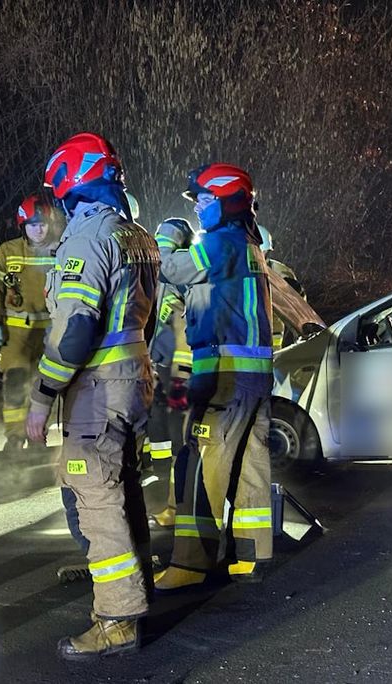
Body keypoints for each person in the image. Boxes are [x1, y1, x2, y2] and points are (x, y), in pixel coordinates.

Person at [27, 132, 159, 659]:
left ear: (68, 182)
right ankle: (133, 585)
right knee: (124, 488)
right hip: (132, 381)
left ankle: (116, 620)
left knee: (97, 500)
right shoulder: (136, 236)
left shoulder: (86, 237)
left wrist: (42, 396)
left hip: (97, 390)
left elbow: (76, 329)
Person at [155, 163, 274, 590]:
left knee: (200, 464)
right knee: (248, 465)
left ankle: (190, 563)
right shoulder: (247, 243)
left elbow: (175, 270)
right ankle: (250, 555)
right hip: (252, 376)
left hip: (225, 376)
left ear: (227, 203)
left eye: (205, 201)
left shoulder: (222, 242)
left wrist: (165, 241)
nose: (200, 210)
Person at [0, 192, 62, 452]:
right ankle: (15, 437)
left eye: (41, 224)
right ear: (23, 226)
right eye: (32, 224)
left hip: (51, 332)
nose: (37, 230)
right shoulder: (8, 251)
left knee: (45, 386)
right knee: (16, 384)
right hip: (16, 332)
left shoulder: (61, 249)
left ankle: (38, 435)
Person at [144, 217, 196, 527]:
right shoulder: (164, 273)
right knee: (160, 429)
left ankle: (180, 508)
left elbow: (184, 333)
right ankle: (167, 492)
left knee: (180, 440)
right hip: (161, 365)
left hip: (177, 370)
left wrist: (180, 376)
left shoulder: (179, 278)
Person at [258, 225, 306, 350]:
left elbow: (300, 309)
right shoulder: (233, 270)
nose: (259, 255)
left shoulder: (279, 271)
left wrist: (297, 293)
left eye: (262, 251)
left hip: (273, 344)